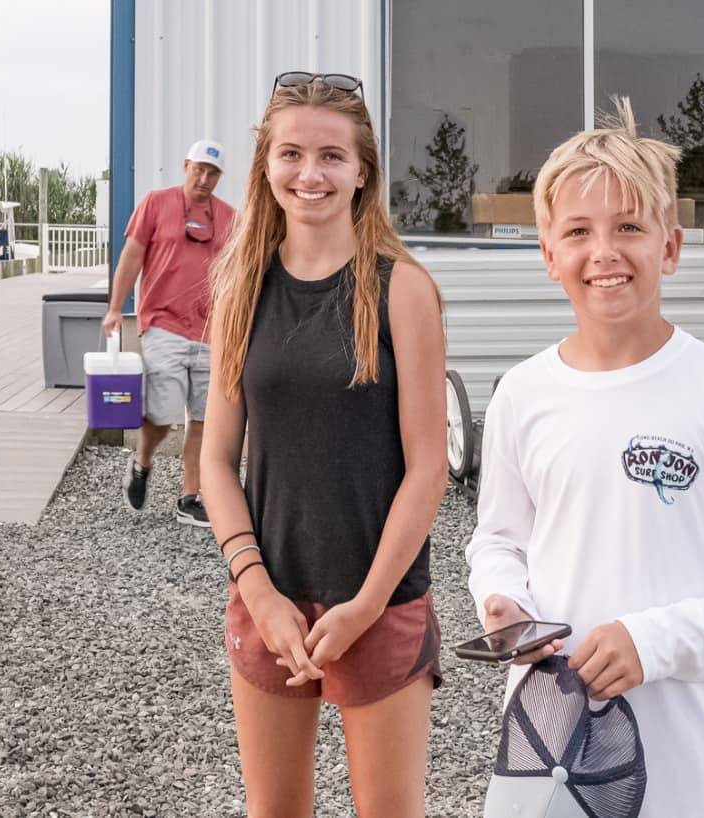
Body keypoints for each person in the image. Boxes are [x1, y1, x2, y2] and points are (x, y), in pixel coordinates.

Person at [464, 99, 704, 816]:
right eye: (577, 231)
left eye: (628, 227)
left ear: (670, 247)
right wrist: (505, 602)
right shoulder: (522, 394)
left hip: (690, 764)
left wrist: (652, 641)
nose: (603, 252)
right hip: (545, 755)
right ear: (547, 254)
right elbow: (498, 541)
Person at [199, 73, 448, 817]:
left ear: (362, 169)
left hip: (378, 601)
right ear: (266, 166)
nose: (311, 175)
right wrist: (257, 590)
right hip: (269, 599)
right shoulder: (239, 288)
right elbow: (216, 460)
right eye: (293, 154)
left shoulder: (402, 288)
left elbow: (428, 466)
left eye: (332, 156)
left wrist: (368, 604)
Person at [102, 139, 236, 527]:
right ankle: (142, 462)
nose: (205, 178)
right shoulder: (156, 204)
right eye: (199, 169)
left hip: (212, 331)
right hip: (163, 324)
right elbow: (131, 256)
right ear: (185, 166)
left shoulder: (230, 218)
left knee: (204, 419)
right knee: (161, 415)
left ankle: (189, 497)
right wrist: (115, 309)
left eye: (213, 173)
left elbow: (243, 271)